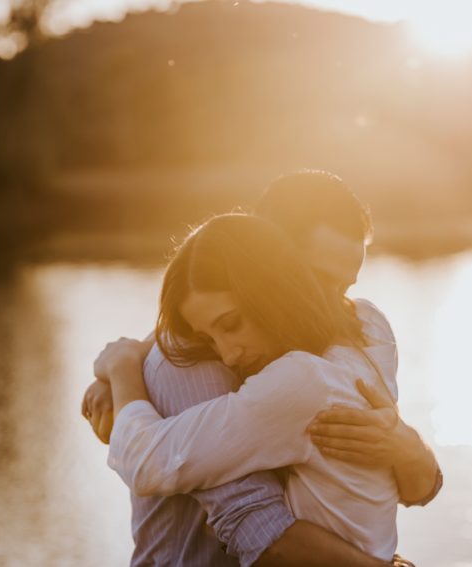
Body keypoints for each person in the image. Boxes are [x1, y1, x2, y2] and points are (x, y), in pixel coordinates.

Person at [83, 172, 440, 566]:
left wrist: (407, 448)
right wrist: (123, 371)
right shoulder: (194, 364)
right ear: (264, 262)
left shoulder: (363, 330)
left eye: (346, 284)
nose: (335, 302)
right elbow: (262, 533)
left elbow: (413, 488)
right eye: (319, 278)